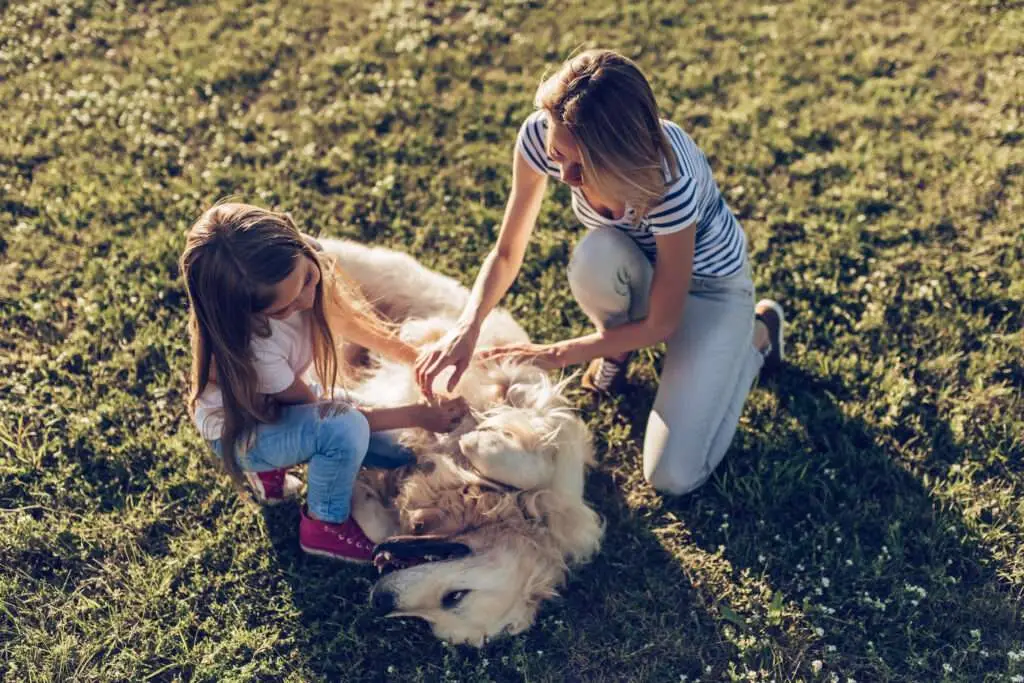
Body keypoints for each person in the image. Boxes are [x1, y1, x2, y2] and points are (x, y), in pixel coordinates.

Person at [415, 49, 786, 496]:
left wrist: (553, 354)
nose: (565, 175)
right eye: (558, 155)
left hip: (711, 291)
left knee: (673, 475)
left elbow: (662, 324)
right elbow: (507, 251)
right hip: (641, 269)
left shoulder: (668, 182)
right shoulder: (542, 137)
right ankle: (615, 344)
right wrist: (467, 325)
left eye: (581, 166)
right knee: (596, 256)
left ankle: (756, 338)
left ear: (622, 159)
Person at [181, 203, 467, 562]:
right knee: (345, 430)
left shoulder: (307, 257)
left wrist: (417, 358)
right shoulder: (255, 346)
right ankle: (323, 526)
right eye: (283, 310)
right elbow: (330, 417)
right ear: (248, 314)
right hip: (243, 435)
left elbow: (351, 323)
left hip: (277, 405)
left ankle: (272, 475)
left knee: (399, 452)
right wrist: (419, 415)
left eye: (307, 282)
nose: (306, 300)